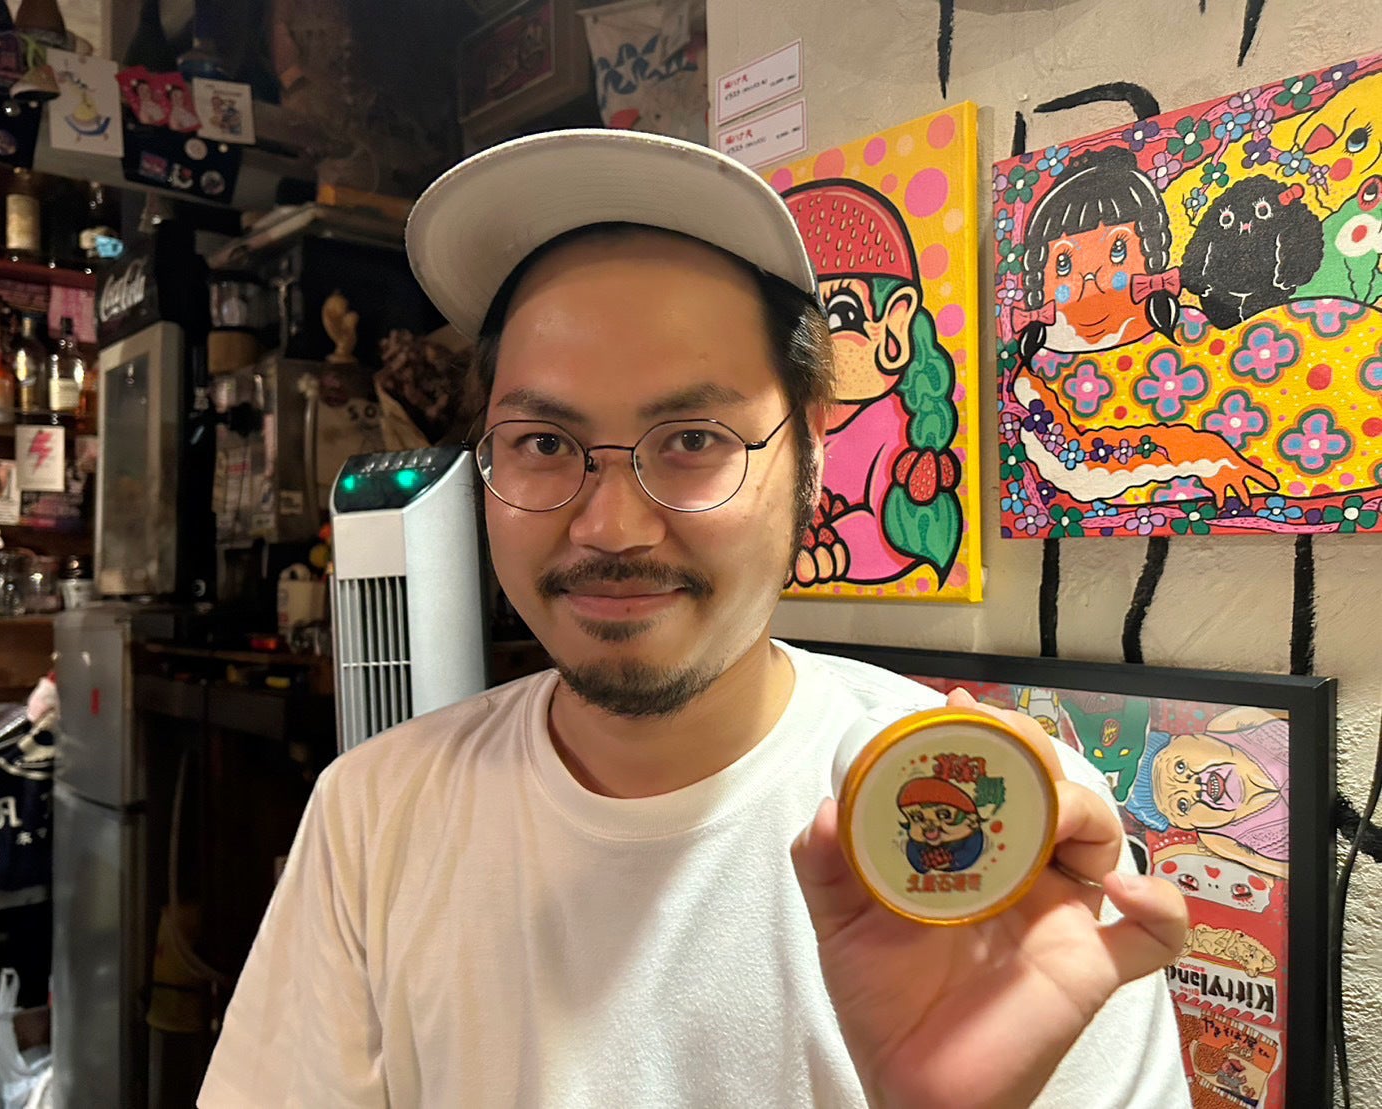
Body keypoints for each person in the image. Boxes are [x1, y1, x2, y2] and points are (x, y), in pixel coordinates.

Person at [199, 128, 1190, 1108]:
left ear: (811, 457)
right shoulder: (373, 813)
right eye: (543, 441)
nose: (610, 527)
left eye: (692, 439)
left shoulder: (990, 838)